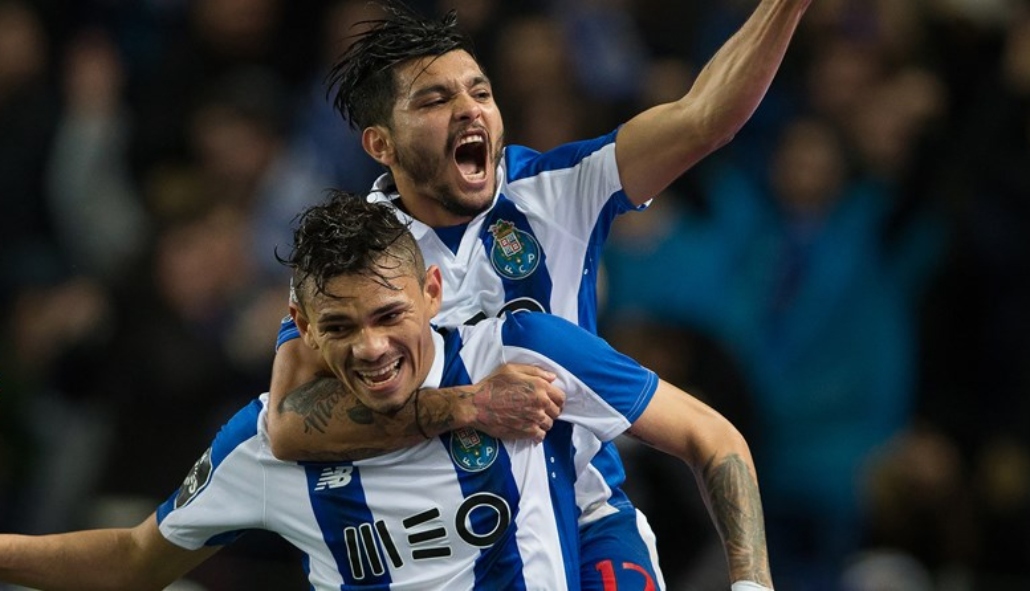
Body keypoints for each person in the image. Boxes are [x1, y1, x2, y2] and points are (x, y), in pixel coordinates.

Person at [266, 1, 810, 588]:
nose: (468, 109)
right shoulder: (347, 256)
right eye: (434, 100)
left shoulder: (560, 189)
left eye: (479, 92)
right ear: (381, 144)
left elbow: (706, 118)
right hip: (444, 537)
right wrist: (467, 405)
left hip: (586, 516)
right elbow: (289, 424)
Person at [0, 192, 773, 590]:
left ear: (433, 292)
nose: (370, 347)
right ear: (303, 326)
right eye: (340, 326)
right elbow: (134, 558)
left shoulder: (525, 351)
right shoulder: (266, 443)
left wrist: (750, 580)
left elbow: (713, 437)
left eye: (388, 315)